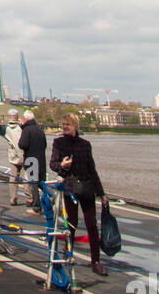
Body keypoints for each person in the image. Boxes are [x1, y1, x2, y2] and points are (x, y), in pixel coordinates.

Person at [49, 113, 107, 276]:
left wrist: (101, 193)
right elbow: (52, 164)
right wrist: (63, 165)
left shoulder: (85, 144)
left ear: (75, 126)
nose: (64, 127)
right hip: (70, 188)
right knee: (71, 224)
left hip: (86, 188)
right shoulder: (58, 143)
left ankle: (96, 262)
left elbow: (92, 169)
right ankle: (68, 254)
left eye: (68, 124)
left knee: (92, 226)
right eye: (63, 124)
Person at [18, 109, 47, 214]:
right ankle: (50, 200)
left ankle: (37, 208)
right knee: (41, 183)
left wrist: (22, 128)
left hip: (31, 159)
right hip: (41, 159)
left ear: (25, 119)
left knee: (33, 185)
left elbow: (22, 145)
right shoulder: (39, 129)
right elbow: (45, 144)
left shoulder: (27, 130)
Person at [2, 108, 24, 205]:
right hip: (23, 154)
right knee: (25, 177)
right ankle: (29, 198)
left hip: (13, 155)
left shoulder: (6, 128)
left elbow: (3, 135)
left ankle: (13, 197)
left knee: (13, 177)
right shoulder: (21, 128)